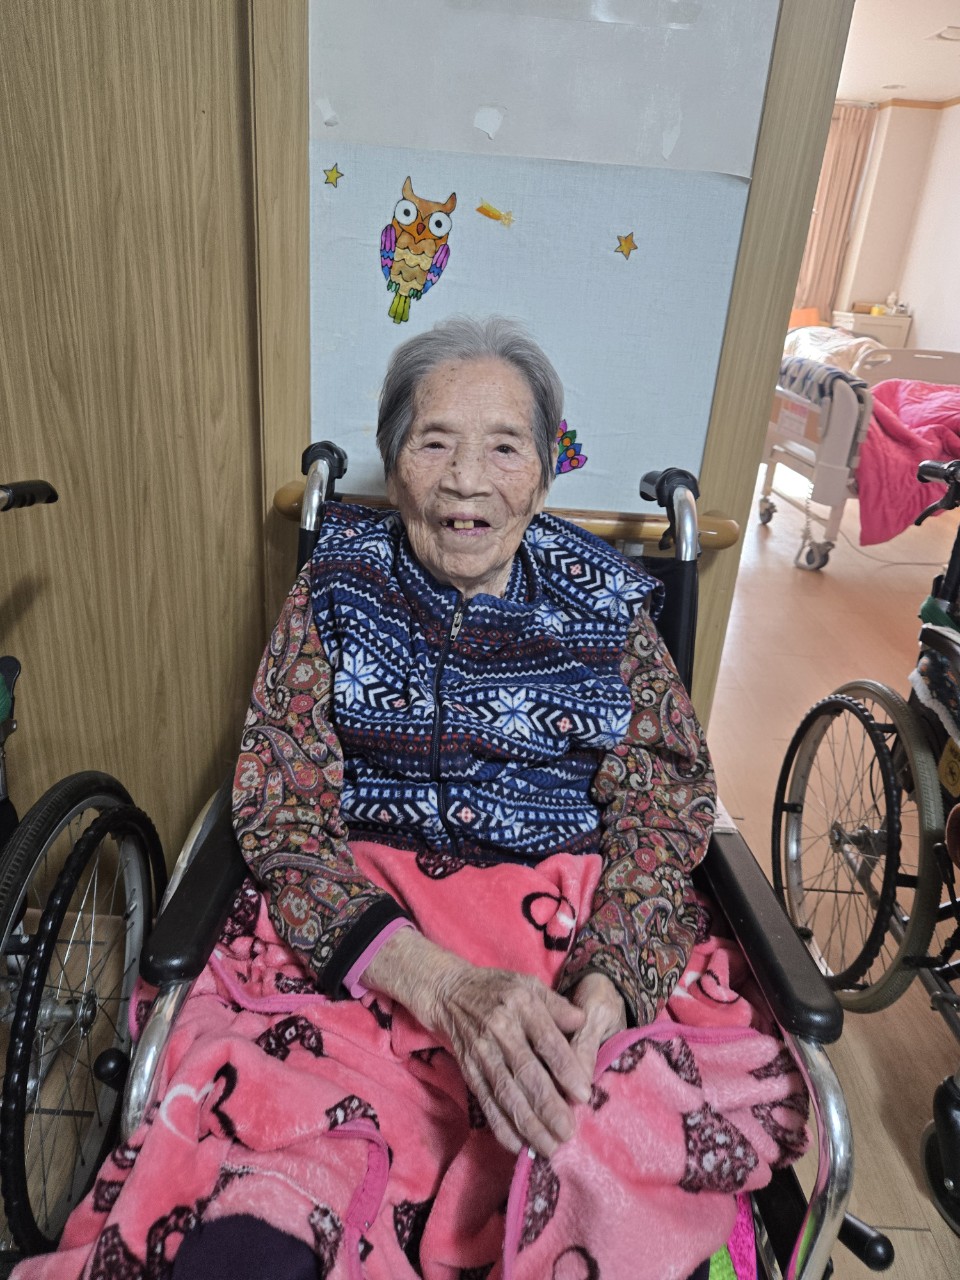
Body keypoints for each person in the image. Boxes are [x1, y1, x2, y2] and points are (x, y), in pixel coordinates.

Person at [17, 318, 805, 1280]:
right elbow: (281, 802)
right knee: (265, 1169)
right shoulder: (336, 588)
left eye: (505, 447)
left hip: (568, 933)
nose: (468, 479)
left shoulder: (607, 604)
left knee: (602, 1146)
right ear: (394, 470)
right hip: (364, 937)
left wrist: (607, 986)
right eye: (434, 443)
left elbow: (665, 806)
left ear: (542, 476)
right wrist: (432, 981)